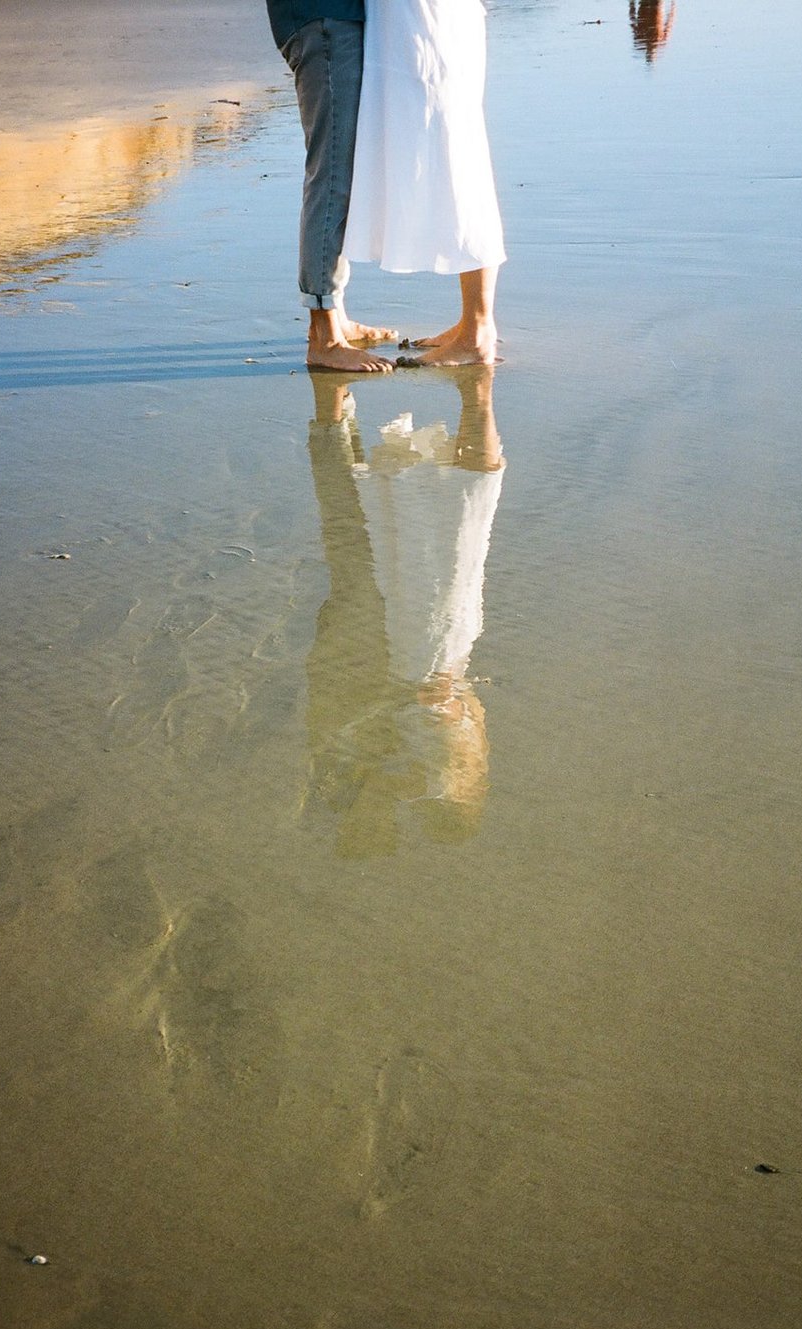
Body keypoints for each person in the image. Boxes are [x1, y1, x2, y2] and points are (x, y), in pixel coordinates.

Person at [304, 366, 505, 854]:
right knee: (429, 528)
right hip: (411, 648)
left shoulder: (448, 773)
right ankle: (338, 396)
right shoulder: (445, 775)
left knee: (422, 529)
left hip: (406, 648)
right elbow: (439, 703)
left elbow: (449, 707)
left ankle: (335, 396)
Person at [343, 0, 505, 367]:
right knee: (454, 153)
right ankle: (472, 323)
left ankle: (477, 331)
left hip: (428, 21)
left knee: (458, 159)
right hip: (414, 21)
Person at [266, 2, 397, 371]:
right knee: (333, 170)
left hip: (329, 16)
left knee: (340, 168)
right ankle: (323, 337)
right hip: (322, 16)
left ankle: (334, 315)